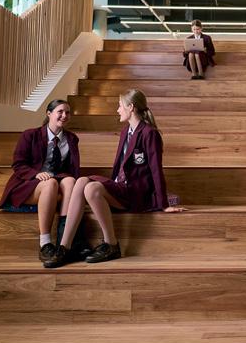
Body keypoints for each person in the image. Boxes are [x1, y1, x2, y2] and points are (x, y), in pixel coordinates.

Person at [44, 89, 185, 268]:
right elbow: (119, 166)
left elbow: (156, 169)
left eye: (120, 106)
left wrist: (163, 204)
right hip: (121, 187)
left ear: (131, 107)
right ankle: (66, 247)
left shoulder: (149, 133)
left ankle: (107, 244)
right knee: (84, 184)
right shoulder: (126, 131)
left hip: (136, 193)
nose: (118, 110)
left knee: (90, 186)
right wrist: (109, 189)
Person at [0, 99, 85, 264]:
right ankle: (45, 243)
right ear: (49, 114)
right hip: (29, 183)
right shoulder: (30, 135)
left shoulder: (72, 138)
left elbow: (72, 168)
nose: (64, 115)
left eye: (67, 112)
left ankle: (64, 242)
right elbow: (18, 164)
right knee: (51, 183)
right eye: (60, 111)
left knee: (70, 181)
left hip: (56, 183)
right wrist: (36, 174)